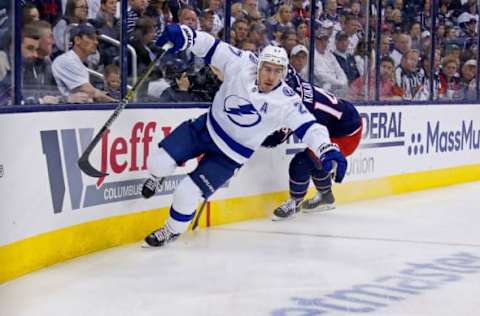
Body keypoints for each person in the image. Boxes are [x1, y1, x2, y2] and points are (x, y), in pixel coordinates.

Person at [141, 24, 348, 247]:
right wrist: (186, 36)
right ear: (258, 66)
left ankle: (171, 231)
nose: (271, 76)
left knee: (186, 193)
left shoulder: (286, 102)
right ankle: (157, 176)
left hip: (230, 156)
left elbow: (310, 127)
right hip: (206, 128)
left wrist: (326, 149)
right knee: (158, 162)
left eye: (278, 71)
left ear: (284, 73)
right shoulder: (242, 63)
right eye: (267, 69)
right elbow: (212, 46)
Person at [263, 65, 362, 220]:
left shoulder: (297, 103)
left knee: (302, 161)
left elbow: (275, 140)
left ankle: (295, 202)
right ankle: (326, 196)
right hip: (343, 121)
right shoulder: (294, 81)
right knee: (315, 158)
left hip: (346, 133)